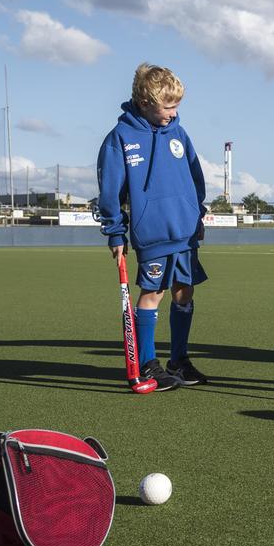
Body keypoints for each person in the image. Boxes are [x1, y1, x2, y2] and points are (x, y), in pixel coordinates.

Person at [96, 63, 209, 391]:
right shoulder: (120, 138)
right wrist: (115, 231)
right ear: (145, 103)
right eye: (168, 106)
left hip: (185, 233)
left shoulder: (179, 133)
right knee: (153, 294)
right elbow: (110, 193)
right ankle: (147, 363)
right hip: (153, 235)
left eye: (177, 106)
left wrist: (197, 216)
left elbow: (195, 177)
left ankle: (178, 360)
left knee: (184, 292)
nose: (174, 113)